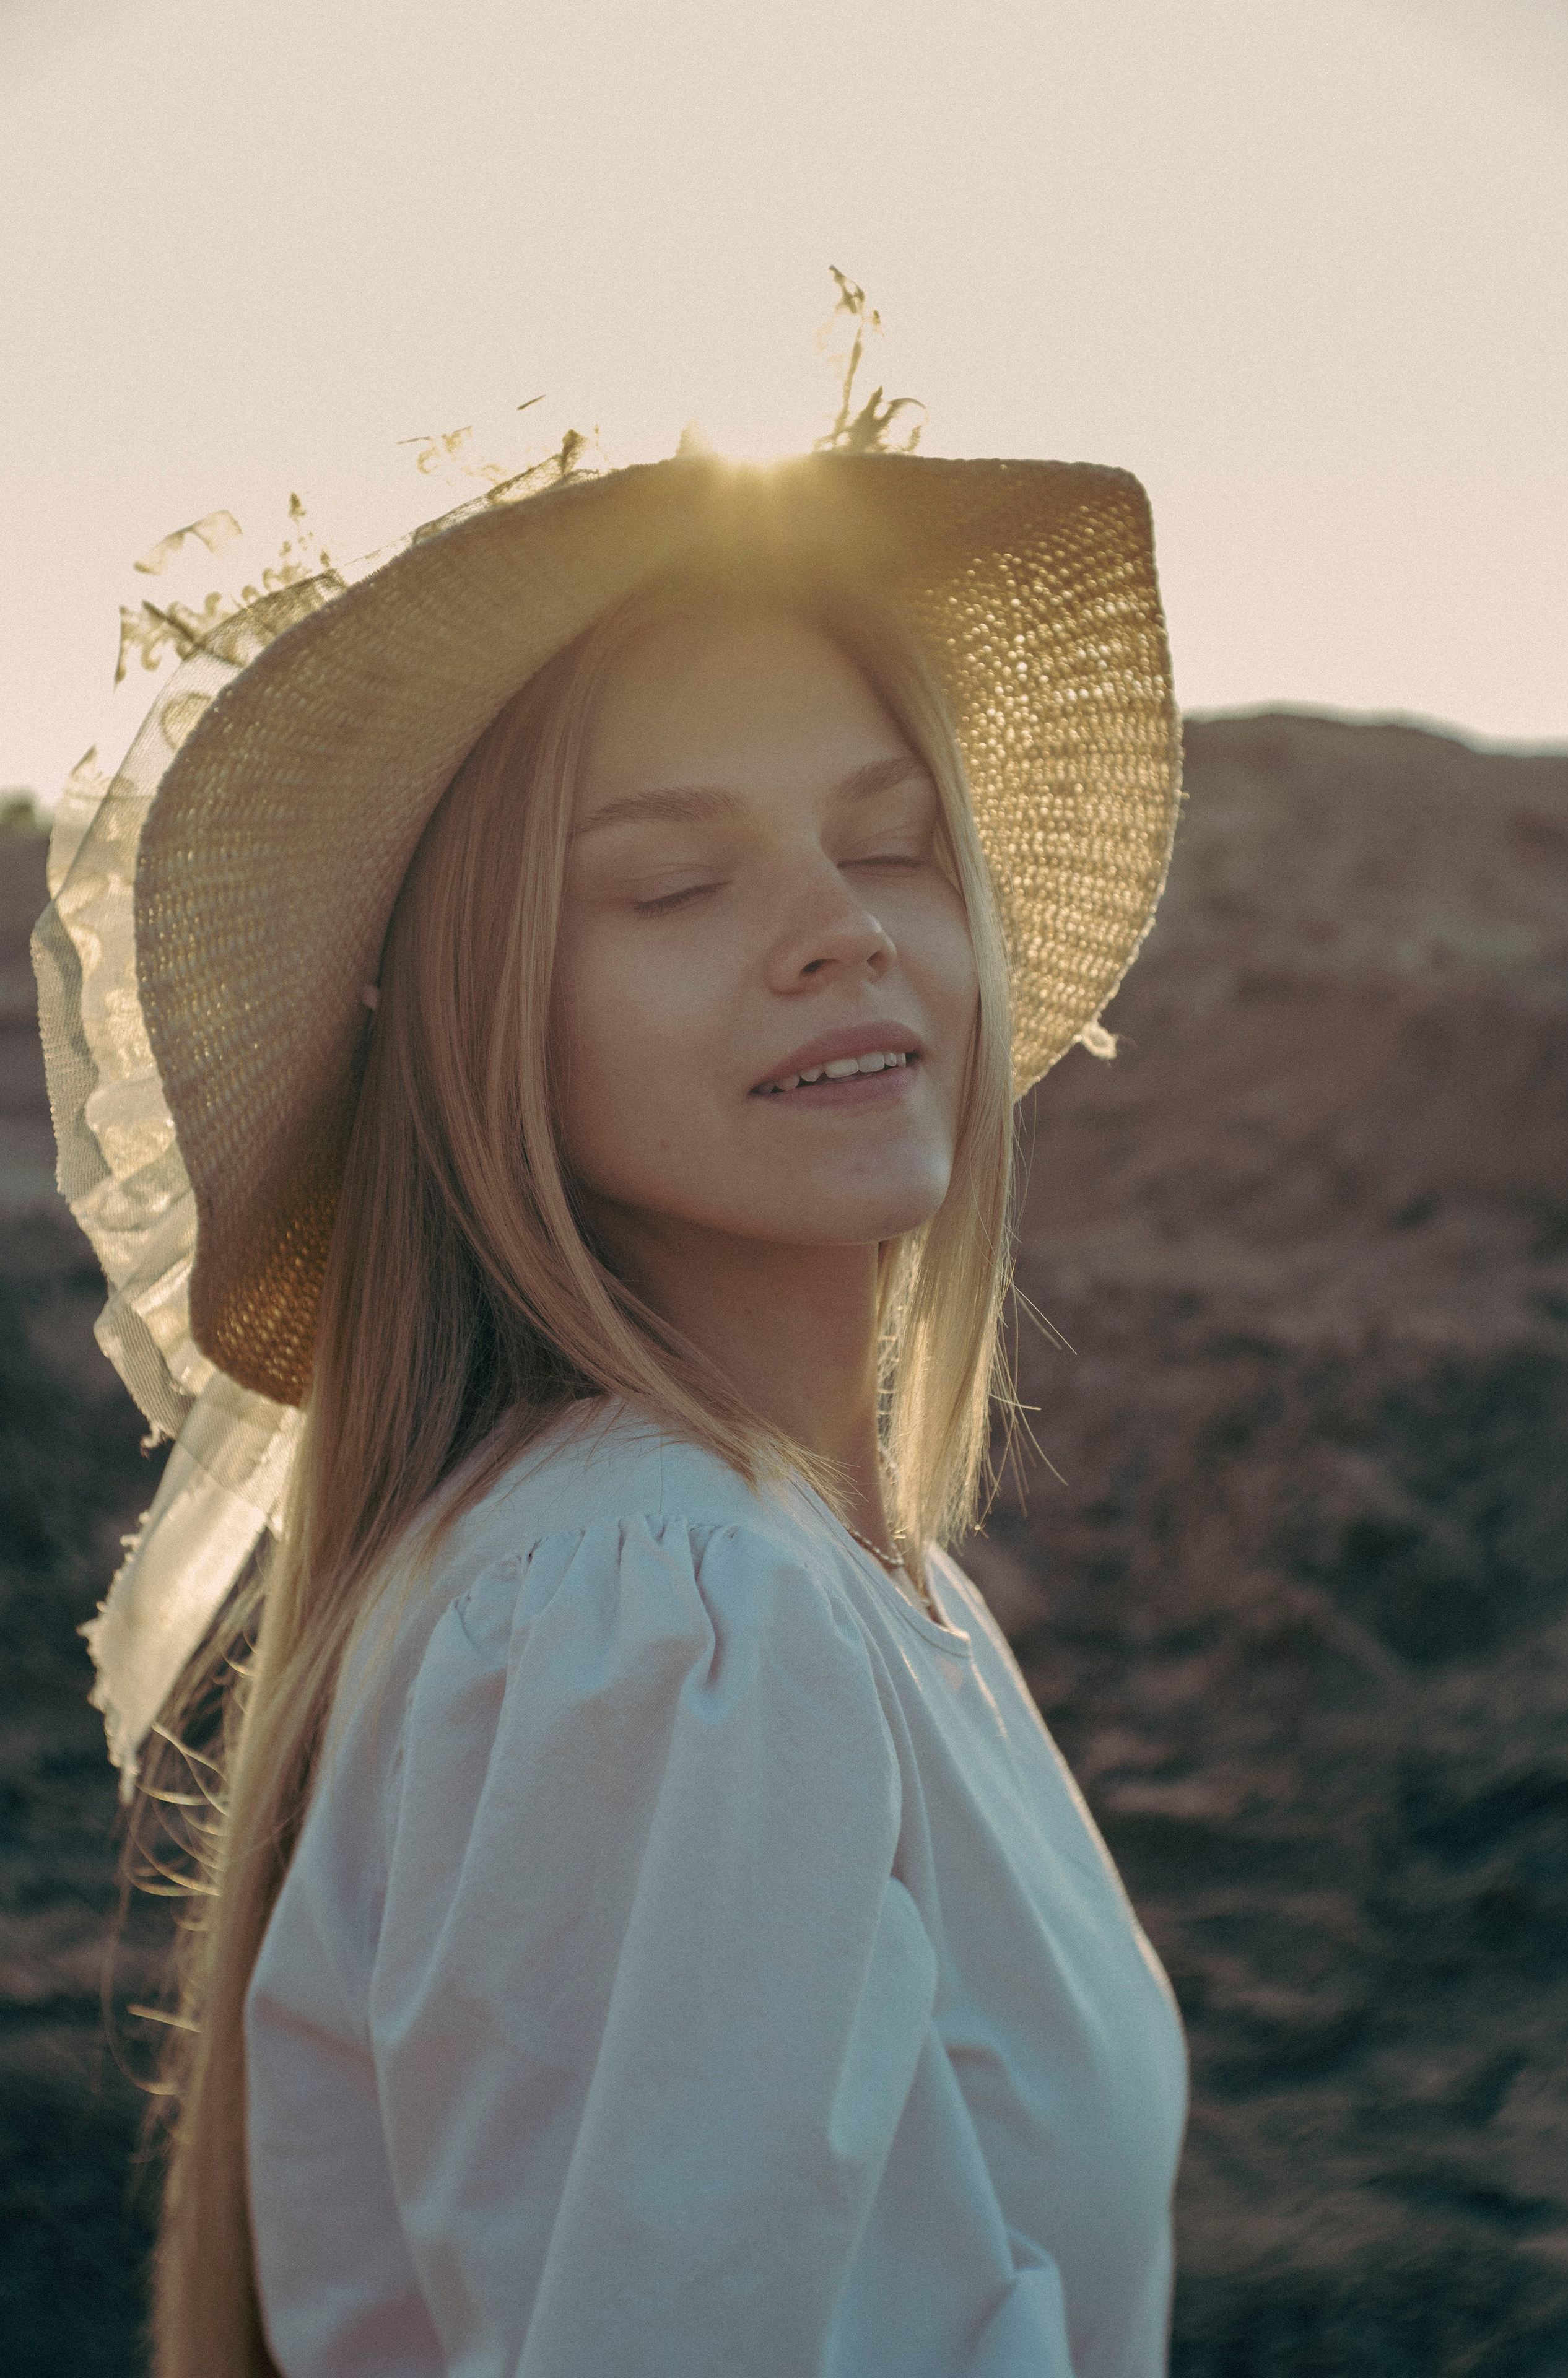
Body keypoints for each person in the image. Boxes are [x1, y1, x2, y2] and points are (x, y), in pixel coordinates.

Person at [36, 435, 1187, 2376]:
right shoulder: (667, 1614)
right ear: (483, 1012)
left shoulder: (785, 1579)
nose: (843, 925)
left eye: (893, 839)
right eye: (672, 882)